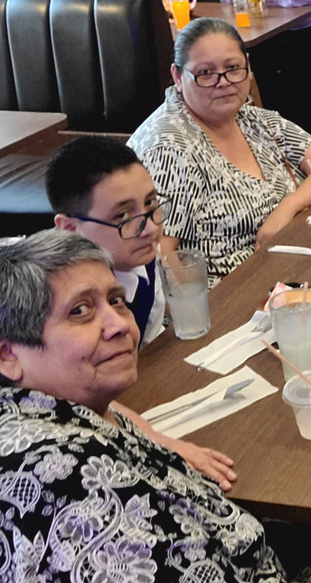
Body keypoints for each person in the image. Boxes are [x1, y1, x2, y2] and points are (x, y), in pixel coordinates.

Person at [0, 230, 289, 580]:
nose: (120, 325)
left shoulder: (68, 407)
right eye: (80, 311)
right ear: (8, 355)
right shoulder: (64, 475)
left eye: (116, 301)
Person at [128, 17, 311, 279]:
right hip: (234, 292)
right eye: (205, 73)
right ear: (178, 76)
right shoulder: (168, 149)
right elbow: (157, 261)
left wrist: (286, 208)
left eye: (233, 67)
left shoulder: (252, 119)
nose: (223, 81)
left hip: (293, 266)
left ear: (248, 65)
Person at [45, 136, 167, 348]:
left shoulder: (141, 258)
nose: (150, 229)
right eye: (122, 216)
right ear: (70, 229)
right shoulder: (54, 307)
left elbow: (151, 340)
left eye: (150, 203)